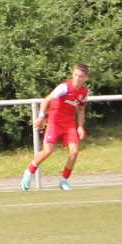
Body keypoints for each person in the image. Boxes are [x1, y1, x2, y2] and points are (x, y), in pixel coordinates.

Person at [24, 64, 90, 192]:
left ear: (86, 77)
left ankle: (64, 180)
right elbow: (46, 101)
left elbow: (81, 109)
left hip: (69, 124)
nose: (77, 78)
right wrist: (41, 117)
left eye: (80, 76)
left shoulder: (84, 92)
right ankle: (29, 171)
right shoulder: (64, 87)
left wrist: (80, 126)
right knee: (47, 151)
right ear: (72, 74)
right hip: (54, 122)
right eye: (75, 75)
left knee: (74, 151)